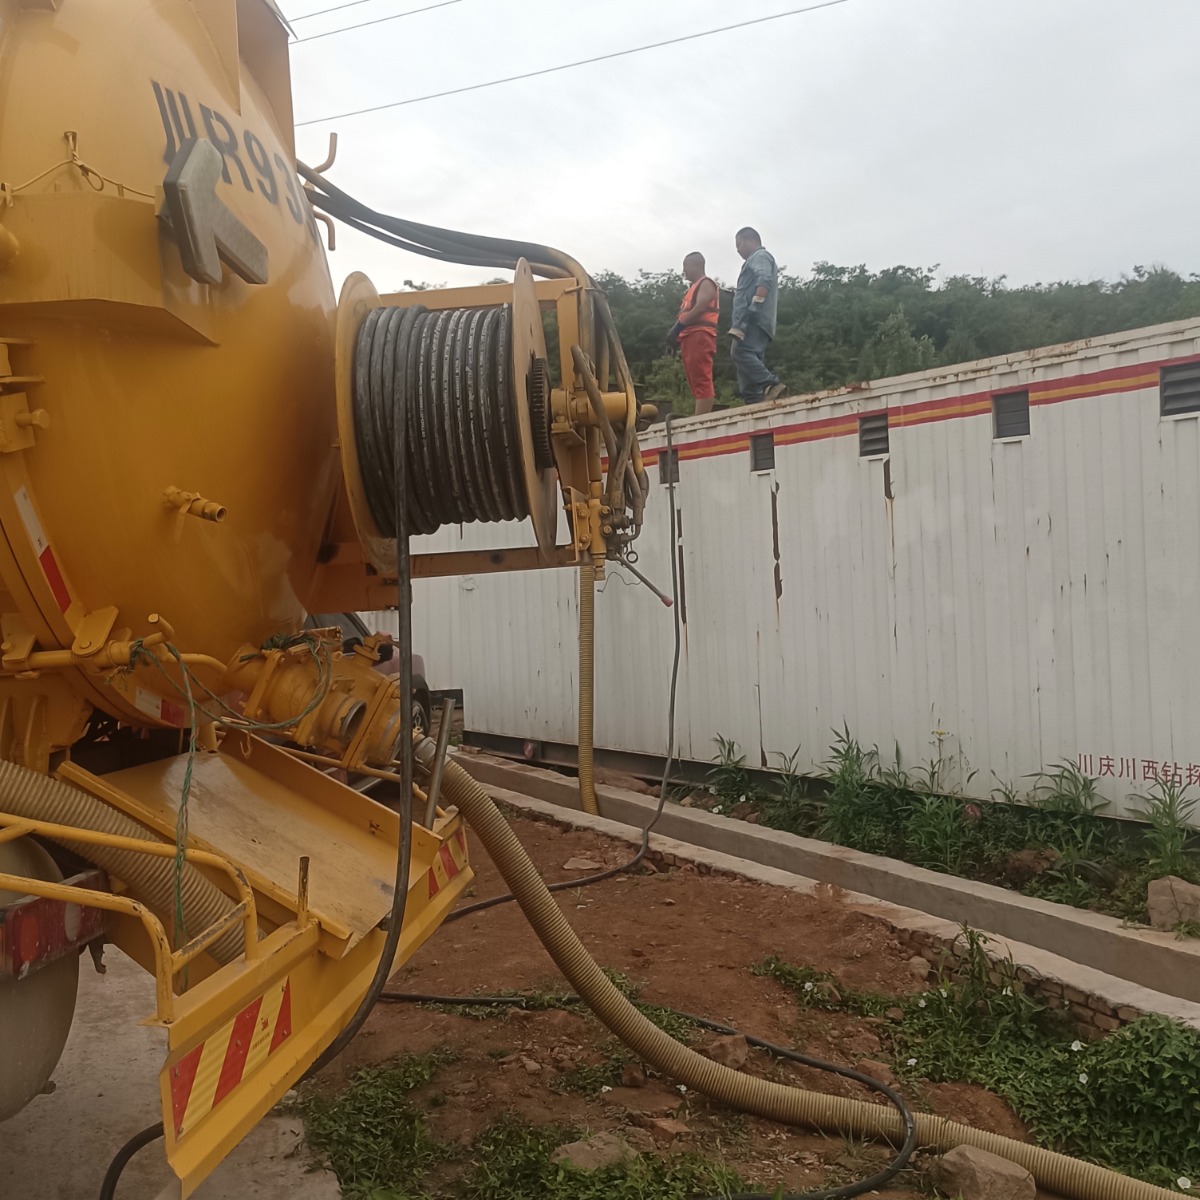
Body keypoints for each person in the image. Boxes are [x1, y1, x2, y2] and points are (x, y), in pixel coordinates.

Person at [730, 227, 786, 405]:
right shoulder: (756, 259)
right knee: (747, 369)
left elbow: (764, 278)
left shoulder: (760, 256)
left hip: (753, 320)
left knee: (740, 352)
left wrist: (756, 303)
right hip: (754, 320)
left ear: (751, 240)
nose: (738, 249)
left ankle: (772, 383)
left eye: (739, 244)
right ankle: (754, 402)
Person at [666, 251, 720, 414]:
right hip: (689, 336)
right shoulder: (693, 288)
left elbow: (700, 307)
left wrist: (678, 327)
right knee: (695, 381)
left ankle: (700, 420)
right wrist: (677, 335)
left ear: (697, 265)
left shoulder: (706, 283)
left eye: (686, 265)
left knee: (701, 380)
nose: (684, 270)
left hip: (700, 335)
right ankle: (699, 416)